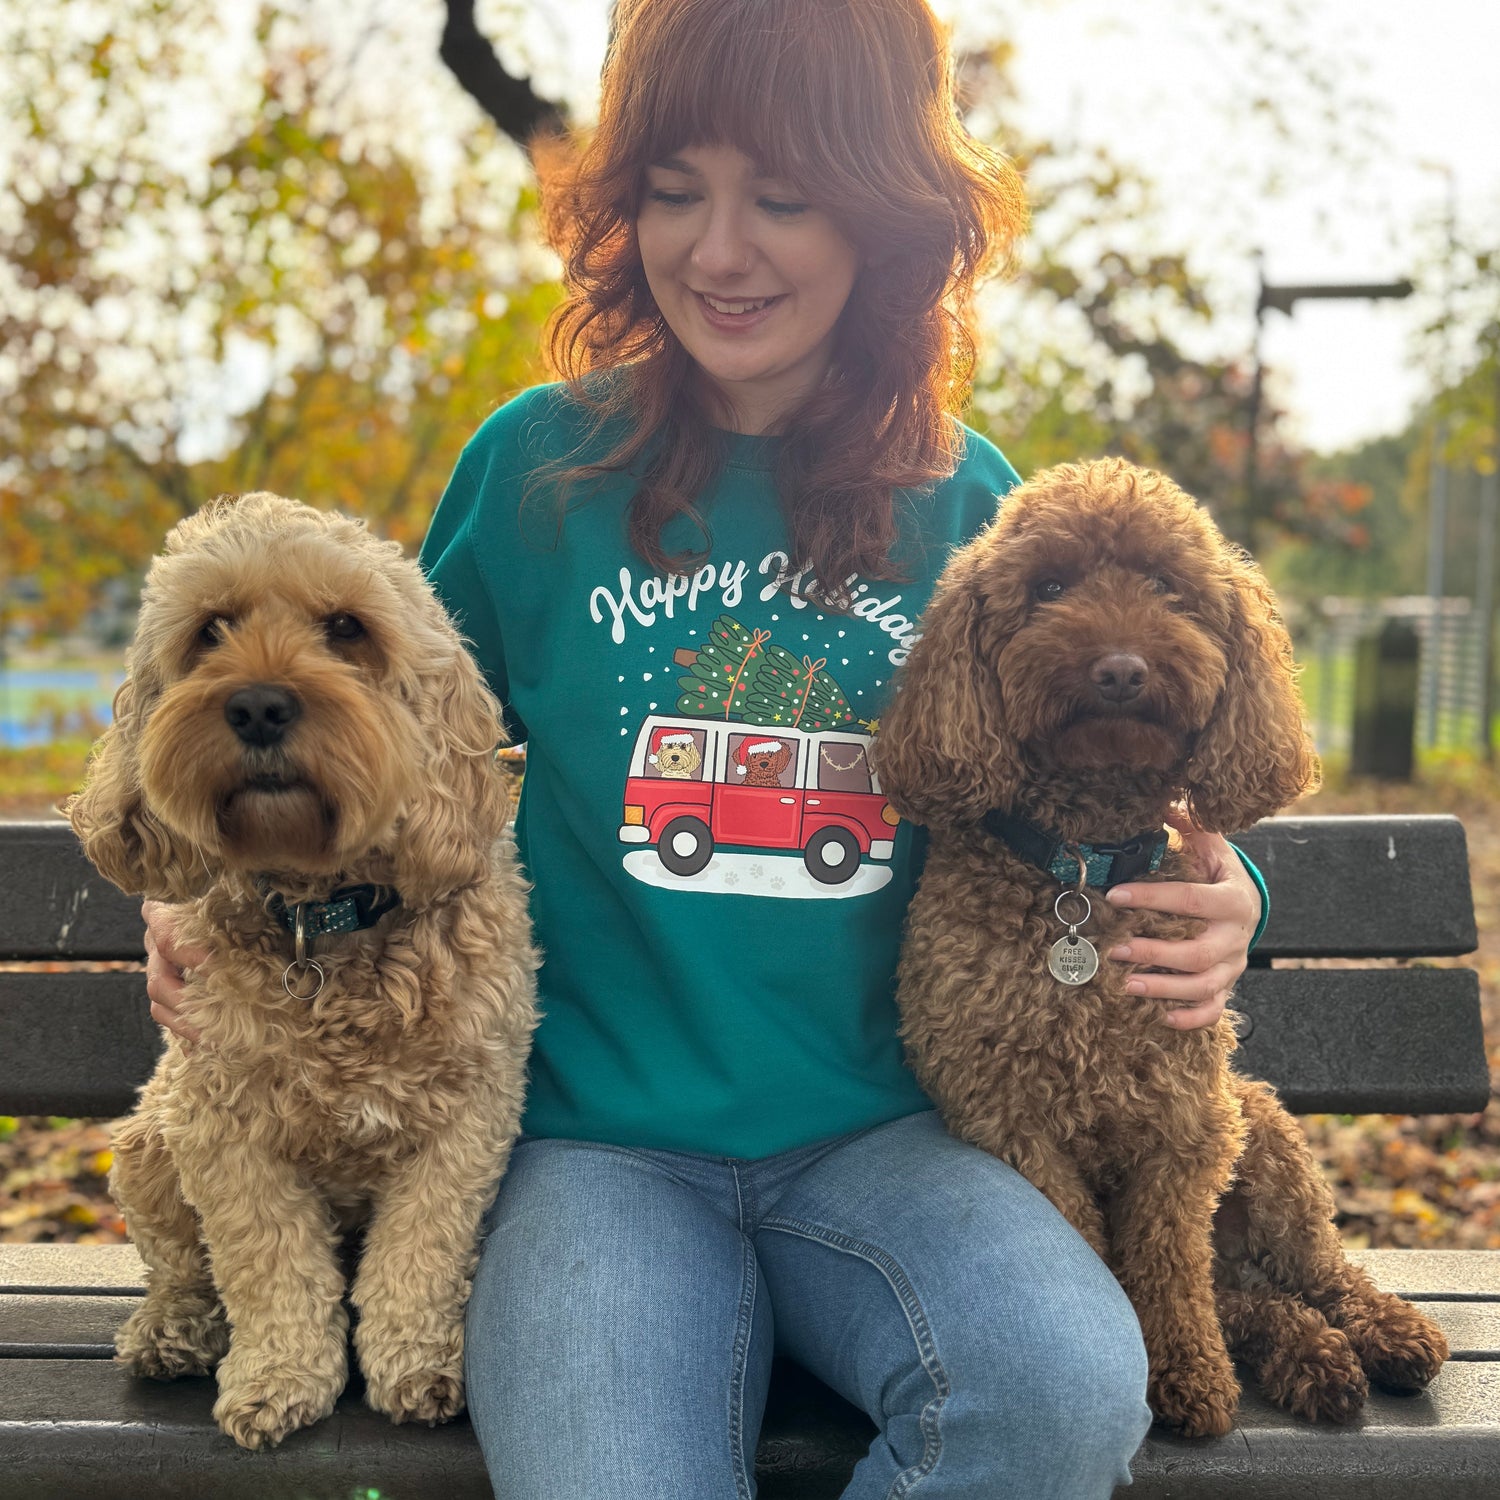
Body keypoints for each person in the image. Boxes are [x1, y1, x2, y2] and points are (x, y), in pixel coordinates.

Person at [144, 1, 1264, 1494]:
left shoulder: (968, 498)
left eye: (782, 198)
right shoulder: (532, 471)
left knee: (1060, 1390)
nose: (718, 251)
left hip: (895, 1143)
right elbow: (373, 744)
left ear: (883, 211)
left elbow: (1103, 768)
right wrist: (201, 884)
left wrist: (1234, 890)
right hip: (590, 1155)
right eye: (675, 190)